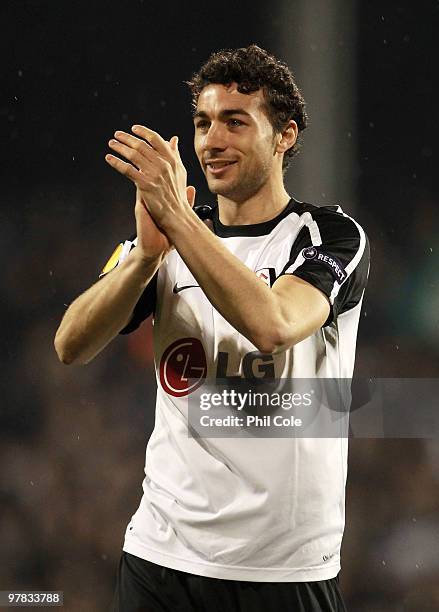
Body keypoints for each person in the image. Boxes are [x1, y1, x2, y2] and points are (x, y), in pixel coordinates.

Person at [54, 45, 369, 612]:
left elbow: (272, 325)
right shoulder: (170, 236)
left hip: (283, 570)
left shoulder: (327, 234)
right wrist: (146, 258)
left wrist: (175, 219)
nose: (211, 140)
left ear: (285, 135)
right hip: (161, 557)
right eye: (202, 123)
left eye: (235, 122)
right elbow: (70, 344)